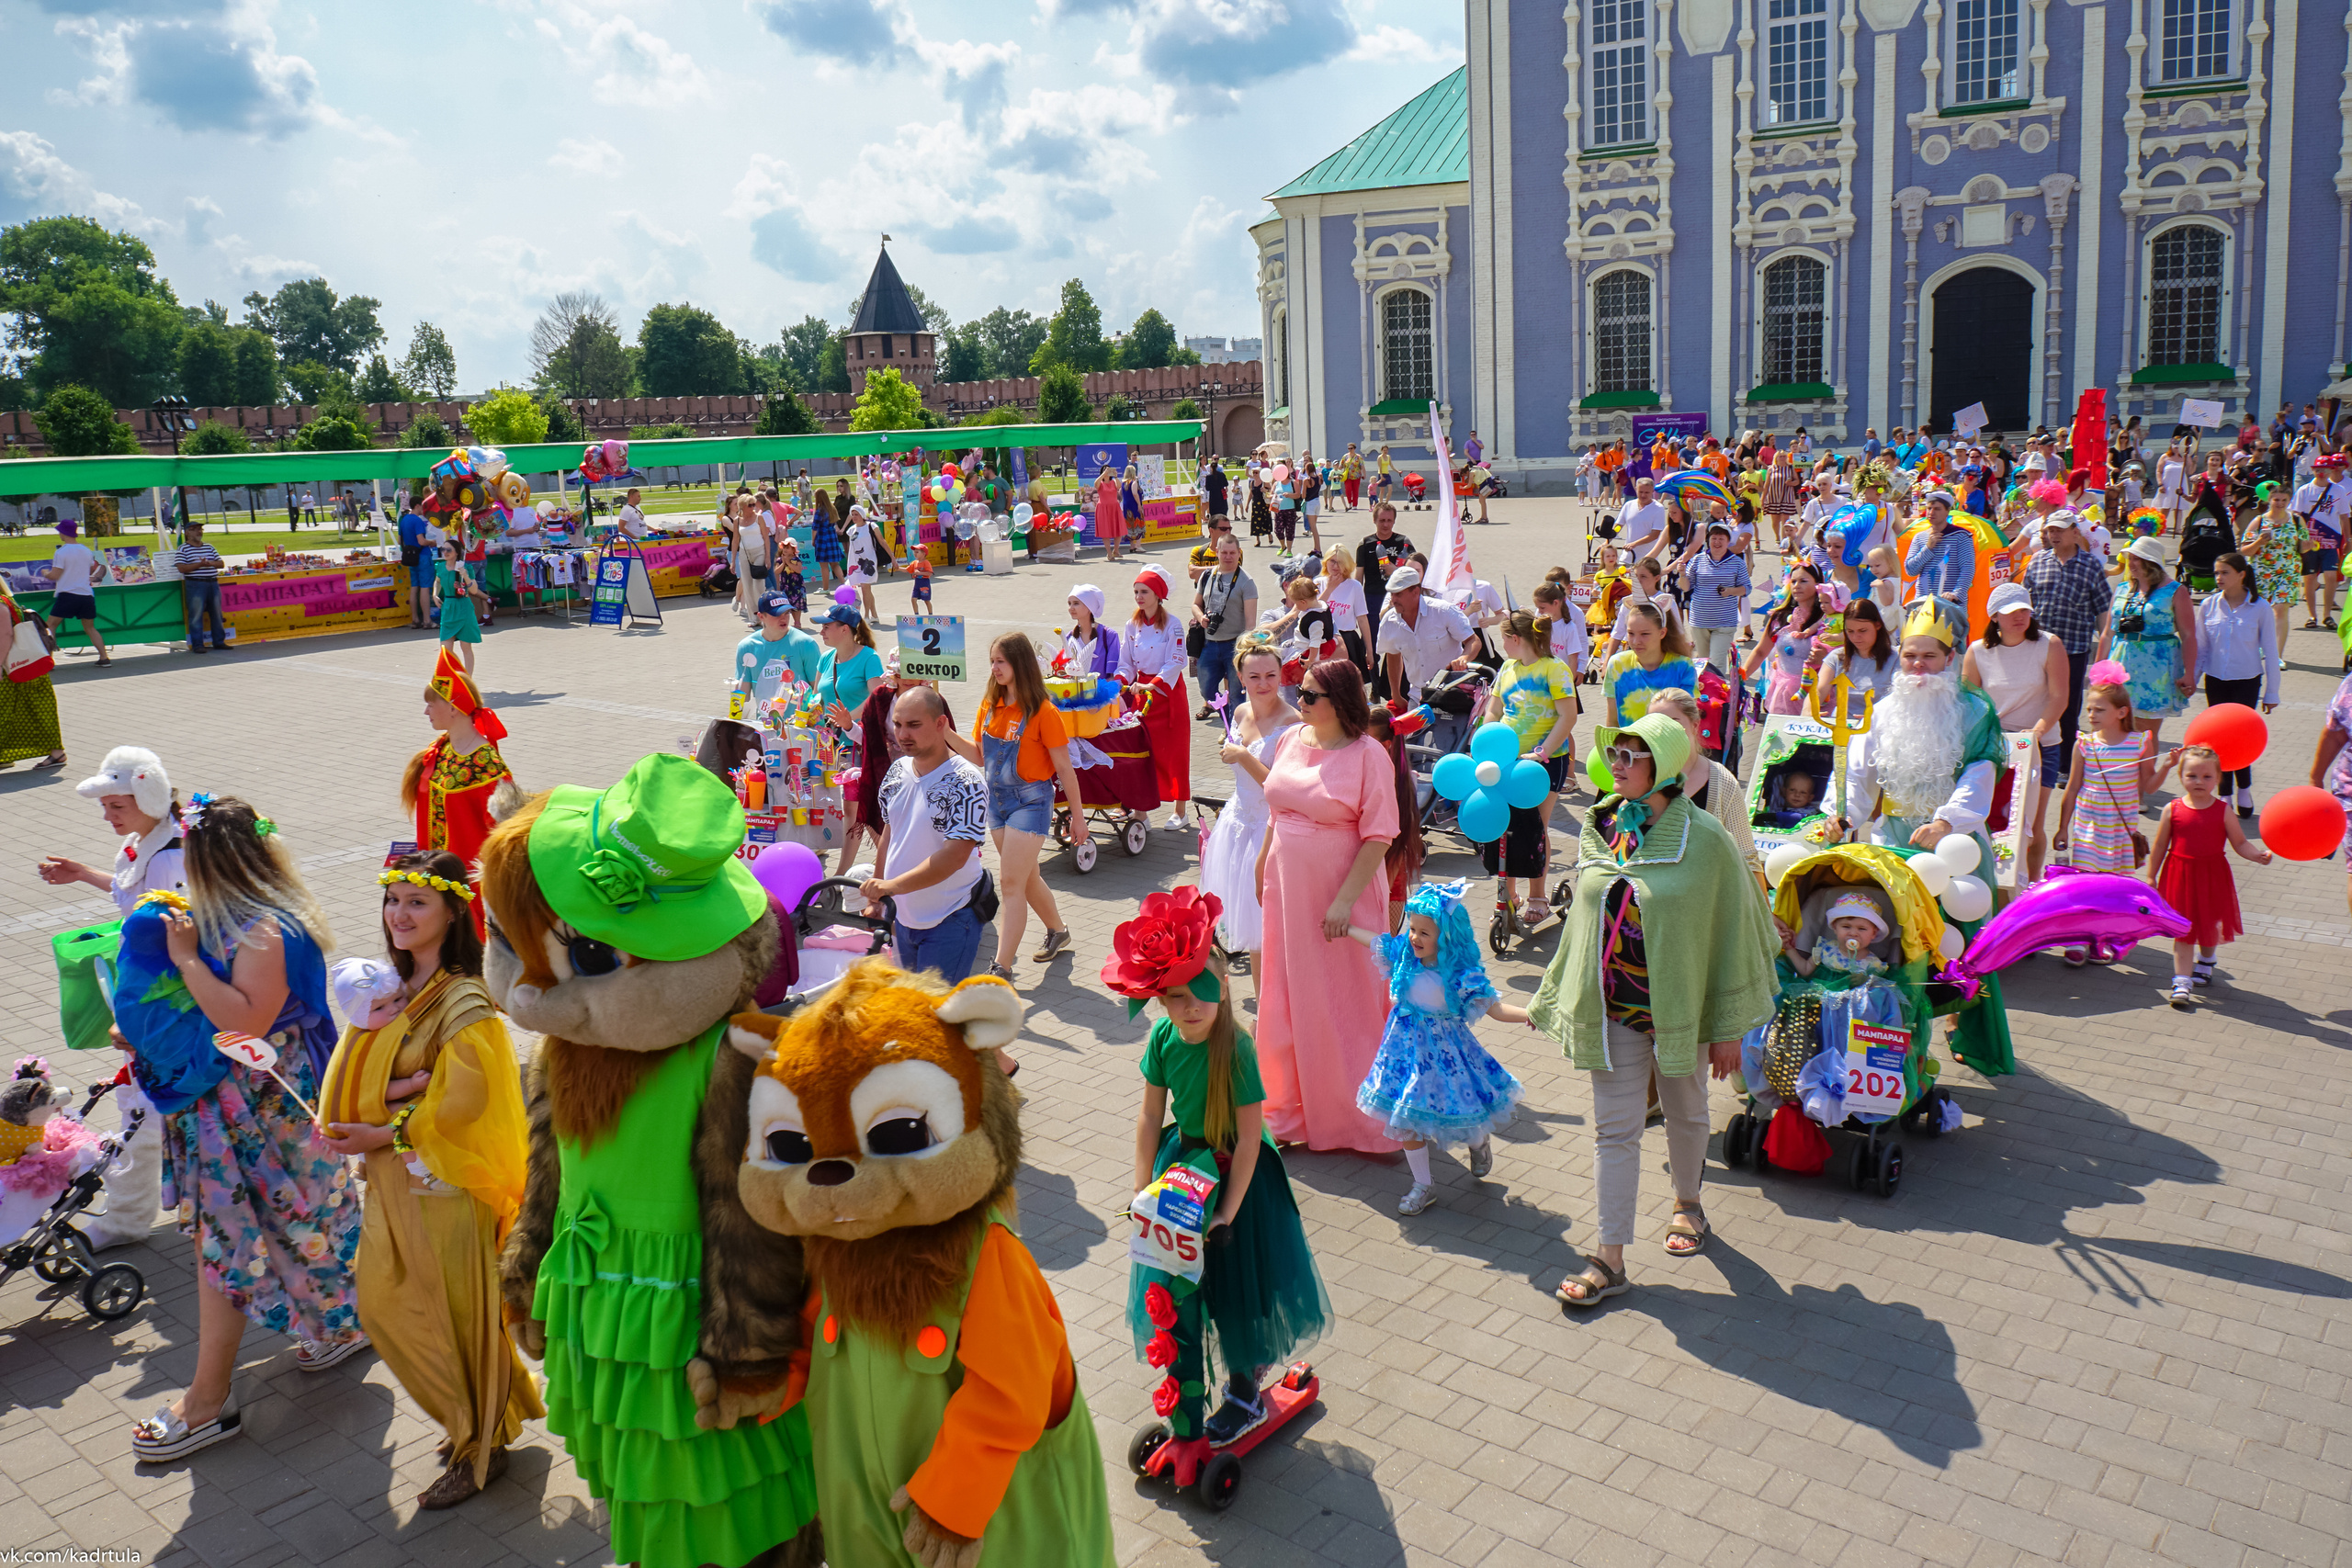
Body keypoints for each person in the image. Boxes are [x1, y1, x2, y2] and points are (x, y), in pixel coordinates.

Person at [127, 795, 366, 1461]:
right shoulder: (223, 918)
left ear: (206, 857)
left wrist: (185, 960)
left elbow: (243, 1020)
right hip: (235, 1104)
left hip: (260, 1103)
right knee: (274, 1223)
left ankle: (208, 1401)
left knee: (247, 1232)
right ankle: (343, 1324)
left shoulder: (261, 928)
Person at [316, 852, 539, 1508]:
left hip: (446, 1183)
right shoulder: (394, 982)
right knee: (389, 1303)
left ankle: (480, 1445)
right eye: (393, 899)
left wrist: (380, 1131)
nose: (400, 913)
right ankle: (479, 1412)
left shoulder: (465, 998)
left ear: (451, 910)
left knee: (457, 1314)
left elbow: (464, 1103)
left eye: (417, 901)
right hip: (393, 1178)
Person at [1533, 713, 1775, 1307]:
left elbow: (1733, 933)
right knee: (1614, 1130)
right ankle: (1610, 1257)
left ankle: (1689, 1203)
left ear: (1663, 765)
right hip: (1615, 1008)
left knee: (1686, 1110)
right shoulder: (1600, 824)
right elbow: (1587, 918)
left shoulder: (1707, 839)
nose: (1615, 764)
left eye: (1631, 756)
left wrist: (1726, 1029)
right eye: (1614, 753)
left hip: (1680, 1010)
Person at [1110, 900, 1329, 1461]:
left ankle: (1244, 1389)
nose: (1188, 1008)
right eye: (1174, 996)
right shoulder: (1162, 1042)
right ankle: (1190, 1390)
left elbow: (1253, 1136)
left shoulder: (1236, 1049)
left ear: (1224, 981)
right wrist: (1141, 1188)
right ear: (1157, 998)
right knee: (1183, 1287)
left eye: (1199, 990)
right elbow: (1147, 1118)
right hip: (1182, 1174)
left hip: (1237, 1180)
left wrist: (1230, 1212)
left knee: (1234, 1289)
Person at [1252, 660, 1407, 1153]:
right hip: (1287, 890)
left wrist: (1343, 903)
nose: (1301, 700)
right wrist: (1260, 865)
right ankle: (1287, 1109)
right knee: (1288, 993)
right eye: (1301, 691)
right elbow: (1276, 810)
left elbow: (1380, 836)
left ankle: (1359, 1118)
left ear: (1340, 703)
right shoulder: (1290, 739)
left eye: (1312, 695)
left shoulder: (1367, 756)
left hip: (1344, 896)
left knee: (1347, 1002)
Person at [33, 747, 182, 1247]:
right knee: (149, 1110)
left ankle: (125, 1220)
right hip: (148, 996)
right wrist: (81, 873)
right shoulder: (151, 841)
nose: (107, 815)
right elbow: (130, 898)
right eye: (105, 806)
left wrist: (140, 1023)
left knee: (141, 1111)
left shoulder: (171, 857)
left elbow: (177, 950)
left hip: (163, 1005)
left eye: (116, 806)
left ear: (150, 797)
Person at [1349, 883, 1530, 1214]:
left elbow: (1496, 1009)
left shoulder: (1462, 975)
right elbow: (1378, 941)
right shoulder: (1405, 956)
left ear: (1445, 936)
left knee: (1461, 1114)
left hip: (1447, 1056)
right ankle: (1423, 1185)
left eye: (1424, 933)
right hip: (1404, 1056)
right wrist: (1345, 927)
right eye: (1413, 929)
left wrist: (1530, 1015)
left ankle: (1479, 1142)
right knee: (1404, 1117)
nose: (1415, 937)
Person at [1837, 602, 2011, 889]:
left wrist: (1946, 822)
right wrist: (1842, 813)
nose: (1918, 664)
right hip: (1895, 838)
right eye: (1910, 656)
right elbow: (1857, 772)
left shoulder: (1975, 711)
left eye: (1929, 656)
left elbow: (1979, 776)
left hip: (1955, 841)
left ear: (1950, 657)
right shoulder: (1882, 710)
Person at [953, 634, 1089, 982]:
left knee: (1010, 882)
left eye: (1001, 661)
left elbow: (1065, 769)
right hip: (997, 804)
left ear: (1020, 664)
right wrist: (943, 731)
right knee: (1027, 878)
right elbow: (979, 755)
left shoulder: (1044, 712)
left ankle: (1003, 967)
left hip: (1031, 803)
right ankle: (1058, 930)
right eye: (992, 661)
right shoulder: (990, 704)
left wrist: (1078, 818)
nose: (995, 668)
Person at [858, 685, 989, 982]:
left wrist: (891, 886)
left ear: (941, 724)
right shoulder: (897, 771)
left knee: (937, 1019)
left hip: (950, 919)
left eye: (914, 725)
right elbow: (890, 837)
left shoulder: (967, 783)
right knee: (912, 1014)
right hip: (904, 920)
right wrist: (878, 897)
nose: (903, 734)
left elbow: (953, 858)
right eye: (898, 724)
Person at [1204, 637, 1301, 978]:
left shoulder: (1292, 723)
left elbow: (1283, 789)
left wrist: (1243, 756)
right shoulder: (1241, 711)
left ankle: (1269, 1014)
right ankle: (1263, 1009)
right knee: (1247, 925)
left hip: (1269, 831)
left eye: (1271, 675)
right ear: (1240, 679)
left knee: (1266, 928)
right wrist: (1231, 746)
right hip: (1237, 824)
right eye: (1255, 676)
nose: (1264, 684)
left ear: (1282, 676)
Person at [2147, 745, 2272, 1009]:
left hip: (2212, 876)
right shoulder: (2172, 809)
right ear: (2181, 776)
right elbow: (2159, 846)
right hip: (2179, 875)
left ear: (2218, 779)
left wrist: (2257, 854)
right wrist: (2150, 876)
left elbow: (2239, 842)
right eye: (2192, 776)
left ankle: (2206, 960)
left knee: (2209, 926)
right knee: (2184, 930)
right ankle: (2182, 981)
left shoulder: (2222, 810)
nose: (2199, 782)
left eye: (2207, 777)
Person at [1963, 583, 2068, 882]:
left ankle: (2033, 885)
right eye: (2010, 612)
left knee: (2032, 826)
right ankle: (1990, 879)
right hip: (1993, 748)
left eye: (2025, 610)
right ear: (1994, 616)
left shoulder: (2050, 644)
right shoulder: (1977, 651)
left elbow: (2060, 697)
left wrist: (2036, 731)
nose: (2019, 617)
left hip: (2041, 745)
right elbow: (1969, 702)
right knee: (1994, 820)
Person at [402, 649, 514, 932]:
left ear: (454, 708)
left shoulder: (485, 762)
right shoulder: (440, 750)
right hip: (435, 878)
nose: (425, 711)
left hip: (469, 887)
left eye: (431, 704)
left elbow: (505, 829)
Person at [1476, 610, 1577, 923]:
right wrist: (1484, 747)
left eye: (1504, 638)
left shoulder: (1554, 669)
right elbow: (1493, 712)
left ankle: (1538, 896)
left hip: (1545, 763)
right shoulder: (1506, 668)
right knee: (1504, 827)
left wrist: (1542, 752)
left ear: (1515, 639)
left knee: (1534, 827)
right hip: (1505, 763)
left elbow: (1568, 716)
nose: (1503, 644)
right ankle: (1507, 895)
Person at [2054, 679, 2163, 910]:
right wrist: (2063, 827)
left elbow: (2150, 786)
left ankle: (2110, 938)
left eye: (2100, 710)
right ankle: (2080, 938)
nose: (2092, 715)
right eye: (2089, 709)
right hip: (2088, 830)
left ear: (2122, 712)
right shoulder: (2084, 744)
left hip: (2119, 832)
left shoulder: (2140, 743)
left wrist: (2167, 766)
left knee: (2115, 888)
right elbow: (2072, 787)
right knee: (2084, 884)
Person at [2193, 552, 2280, 816]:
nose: (2218, 578)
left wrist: (2272, 691)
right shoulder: (2208, 605)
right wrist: (2190, 681)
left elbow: (2271, 651)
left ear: (2242, 575)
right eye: (2216, 572)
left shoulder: (2260, 607)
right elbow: (2201, 649)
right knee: (2218, 741)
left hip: (2247, 681)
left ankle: (2244, 788)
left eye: (2224, 572)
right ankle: (2225, 795)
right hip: (2216, 680)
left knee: (2240, 740)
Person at [2023, 510, 2114, 761]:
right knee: (2034, 702)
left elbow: (2103, 610)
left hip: (2072, 650)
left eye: (2059, 530)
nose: (2053, 535)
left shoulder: (2091, 565)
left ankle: (2065, 762)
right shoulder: (2037, 561)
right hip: (2037, 647)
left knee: (2067, 707)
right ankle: (2034, 757)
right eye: (2050, 530)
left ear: (2075, 533)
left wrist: (2104, 656)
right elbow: (2025, 601)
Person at [1644, 688, 1761, 880]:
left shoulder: (1721, 780)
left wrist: (1761, 907)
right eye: (1655, 725)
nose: (1662, 732)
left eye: (1673, 723)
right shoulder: (1640, 778)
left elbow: (1746, 854)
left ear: (1695, 724)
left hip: (1705, 898)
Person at [1116, 566, 1193, 824]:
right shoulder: (1131, 624)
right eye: (1136, 591)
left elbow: (1177, 659)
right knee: (1142, 754)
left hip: (1168, 693)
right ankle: (1141, 813)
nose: (1138, 596)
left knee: (1175, 753)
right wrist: (1119, 681)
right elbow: (1126, 662)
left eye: (1144, 591)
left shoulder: (1174, 624)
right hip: (1142, 696)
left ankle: (1180, 811)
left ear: (1158, 594)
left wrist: (1155, 683)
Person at [2113, 536, 2196, 743]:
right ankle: (2123, 775)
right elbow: (2107, 632)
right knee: (2117, 728)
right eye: (2129, 558)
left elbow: (2188, 635)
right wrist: (2099, 670)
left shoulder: (2175, 591)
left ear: (2151, 562)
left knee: (2145, 733)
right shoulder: (2123, 589)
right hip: (2120, 666)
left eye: (2136, 559)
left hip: (2154, 671)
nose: (2131, 564)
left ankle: (2146, 775)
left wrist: (2190, 673)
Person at [1377, 566, 1478, 716]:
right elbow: (1393, 655)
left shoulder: (1443, 611)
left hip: (1453, 695)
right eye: (1392, 594)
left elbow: (1473, 641)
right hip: (1418, 697)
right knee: (1412, 739)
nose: (1393, 600)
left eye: (1398, 594)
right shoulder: (1389, 622)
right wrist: (1396, 694)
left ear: (1415, 592)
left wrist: (1464, 658)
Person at [1190, 531, 1260, 728]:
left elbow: (1250, 624)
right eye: (1224, 552)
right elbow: (1195, 605)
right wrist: (1200, 617)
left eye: (1232, 553)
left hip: (1234, 645)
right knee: (1206, 689)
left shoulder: (1247, 582)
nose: (1228, 557)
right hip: (1209, 643)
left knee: (1237, 693)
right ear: (1217, 552)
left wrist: (1244, 652)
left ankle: (1235, 732)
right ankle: (1226, 711)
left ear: (1239, 553)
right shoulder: (1207, 575)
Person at [1605, 599, 1699, 728]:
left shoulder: (1683, 667)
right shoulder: (1617, 664)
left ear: (1662, 633)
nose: (1636, 641)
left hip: (1670, 747)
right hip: (1627, 747)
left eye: (1645, 634)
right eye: (1631, 633)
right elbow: (1612, 721)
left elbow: (1689, 722)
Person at [0, 581, 64, 770]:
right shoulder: (8, 600)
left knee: (34, 710)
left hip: (15, 665)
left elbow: (5, 635)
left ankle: (57, 753)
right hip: (22, 665)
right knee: (26, 709)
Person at [2239, 480, 2306, 649]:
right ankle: (2259, 646)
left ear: (2289, 501)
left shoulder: (2297, 521)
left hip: (2288, 572)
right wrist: (2259, 542)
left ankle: (2277, 655)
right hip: (2261, 573)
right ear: (2269, 500)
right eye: (2276, 500)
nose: (2280, 504)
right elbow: (2245, 550)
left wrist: (2310, 544)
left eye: (2284, 500)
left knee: (2281, 609)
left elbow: (2304, 546)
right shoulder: (2259, 521)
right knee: (2260, 613)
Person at [734, 590, 822, 717]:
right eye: (777, 614)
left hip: (800, 728)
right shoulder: (747, 647)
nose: (784, 618)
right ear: (761, 616)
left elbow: (818, 690)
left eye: (787, 613)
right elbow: (742, 695)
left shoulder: (805, 643)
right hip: (765, 726)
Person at [1679, 522, 1751, 671]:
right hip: (1699, 621)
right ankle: (1706, 693)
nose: (1717, 542)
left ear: (1728, 541)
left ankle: (1719, 692)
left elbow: (1747, 589)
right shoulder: (1698, 560)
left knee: (1717, 664)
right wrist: (1682, 574)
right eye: (1714, 538)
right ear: (1708, 540)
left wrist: (1731, 591)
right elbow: (1686, 587)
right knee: (1703, 664)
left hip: (1724, 622)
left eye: (1721, 538)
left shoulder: (1737, 562)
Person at [1815, 597, 1895, 724]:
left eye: (1862, 631)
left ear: (1878, 625)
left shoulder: (1896, 658)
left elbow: (1900, 701)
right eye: (1850, 631)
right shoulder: (1837, 657)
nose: (1856, 637)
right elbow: (1818, 692)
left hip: (1881, 726)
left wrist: (1876, 718)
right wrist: (1810, 713)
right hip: (1841, 728)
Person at [2294, 452, 2350, 629]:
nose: (2322, 473)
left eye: (2326, 469)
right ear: (2313, 469)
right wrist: (2300, 539)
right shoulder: (2304, 490)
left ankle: (2327, 615)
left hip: (2331, 541)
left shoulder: (2338, 490)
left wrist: (2348, 539)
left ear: (2331, 470)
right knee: (2310, 579)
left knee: (2331, 577)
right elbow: (2295, 516)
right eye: (2318, 469)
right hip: (2309, 542)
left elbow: (2344, 516)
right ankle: (2312, 616)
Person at [43, 519, 110, 667]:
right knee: (90, 628)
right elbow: (91, 568)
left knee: (51, 625)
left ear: (63, 533)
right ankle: (104, 657)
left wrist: (45, 573)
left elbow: (55, 575)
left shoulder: (61, 552)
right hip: (86, 594)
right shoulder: (86, 550)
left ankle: (49, 660)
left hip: (68, 593)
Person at [811, 604, 885, 730]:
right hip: (828, 742)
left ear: (844, 629)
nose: (821, 632)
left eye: (826, 627)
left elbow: (877, 698)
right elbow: (816, 698)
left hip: (858, 741)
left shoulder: (869, 657)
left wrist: (847, 720)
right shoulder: (825, 658)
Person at [1905, 492, 1976, 607]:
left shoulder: (1961, 536)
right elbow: (1910, 570)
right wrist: (1928, 548)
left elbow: (1967, 569)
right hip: (1923, 604)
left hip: (1950, 604)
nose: (1931, 513)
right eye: (1929, 508)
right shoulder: (1920, 537)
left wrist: (1956, 595)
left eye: (1937, 509)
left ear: (1947, 511)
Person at [432, 542, 481, 676]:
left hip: (463, 607)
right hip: (448, 608)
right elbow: (437, 581)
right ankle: (460, 673)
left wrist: (465, 575)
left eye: (449, 549)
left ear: (457, 552)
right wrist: (435, 594)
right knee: (445, 649)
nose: (445, 552)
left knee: (466, 646)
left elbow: (474, 590)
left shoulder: (466, 567)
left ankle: (468, 679)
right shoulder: (441, 566)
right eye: (443, 549)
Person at [1320, 551, 1373, 675]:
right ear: (1326, 562)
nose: (1336, 566)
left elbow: (1362, 619)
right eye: (1332, 561)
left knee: (1349, 685)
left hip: (1348, 640)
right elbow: (1313, 612)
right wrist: (1329, 588)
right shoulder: (1318, 583)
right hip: (1323, 640)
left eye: (1340, 562)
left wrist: (1369, 651)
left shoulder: (1355, 586)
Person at [1059, 584, 1121, 675]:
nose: (1071, 608)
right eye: (1069, 603)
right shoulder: (1069, 637)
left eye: (1076, 603)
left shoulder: (1109, 636)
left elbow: (1113, 675)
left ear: (1090, 607)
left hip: (1101, 688)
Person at [398, 502, 435, 629]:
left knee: (414, 587)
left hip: (410, 557)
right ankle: (427, 620)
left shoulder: (403, 520)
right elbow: (422, 541)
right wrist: (432, 542)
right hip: (423, 556)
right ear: (417, 505)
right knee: (425, 587)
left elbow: (399, 540)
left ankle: (415, 619)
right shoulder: (418, 521)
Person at [1095, 463, 1126, 563]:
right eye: (1105, 469)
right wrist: (1103, 474)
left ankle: (1116, 551)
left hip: (1114, 508)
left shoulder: (1113, 482)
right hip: (1103, 509)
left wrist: (1116, 476)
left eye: (1109, 469)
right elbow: (1096, 484)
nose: (1107, 471)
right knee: (1106, 532)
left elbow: (1119, 486)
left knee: (1118, 530)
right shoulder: (1100, 482)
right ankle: (1109, 553)